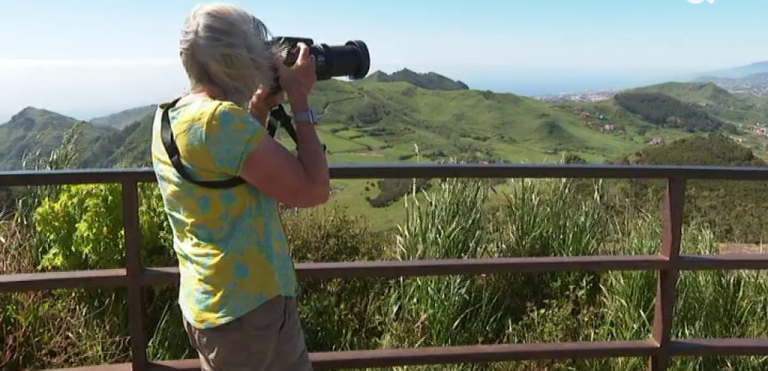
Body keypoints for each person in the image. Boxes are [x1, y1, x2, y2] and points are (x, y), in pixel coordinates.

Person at [150, 3, 330, 371]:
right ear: (238, 58)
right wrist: (299, 101)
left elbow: (231, 166)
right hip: (249, 312)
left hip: (214, 301)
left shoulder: (170, 115)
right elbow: (314, 191)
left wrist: (259, 107)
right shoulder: (221, 121)